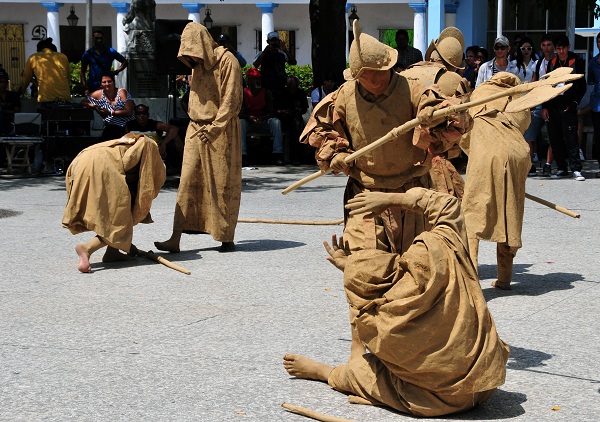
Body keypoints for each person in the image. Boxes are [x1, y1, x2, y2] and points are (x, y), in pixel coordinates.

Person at [283, 187, 510, 417]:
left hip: (440, 399)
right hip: (485, 383)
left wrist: (351, 268)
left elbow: (367, 305)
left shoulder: (393, 320)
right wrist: (392, 199)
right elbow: (448, 207)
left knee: (363, 370)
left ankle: (325, 373)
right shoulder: (449, 249)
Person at [300, 21, 471, 256]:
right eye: (367, 77)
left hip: (409, 192)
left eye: (381, 74)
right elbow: (321, 130)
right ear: (357, 75)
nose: (376, 81)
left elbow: (457, 118)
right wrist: (336, 153)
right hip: (364, 192)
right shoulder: (343, 95)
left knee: (412, 267)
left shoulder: (413, 89)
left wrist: (436, 117)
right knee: (366, 264)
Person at [154, 22, 243, 253]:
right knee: (187, 183)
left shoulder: (227, 61)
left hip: (221, 129)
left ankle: (225, 236)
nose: (189, 60)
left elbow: (231, 99)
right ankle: (175, 237)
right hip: (196, 128)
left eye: (191, 54)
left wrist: (215, 127)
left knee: (221, 183)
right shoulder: (197, 65)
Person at [462, 73, 532, 290]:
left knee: (472, 216)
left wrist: (472, 152)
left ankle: (471, 280)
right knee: (510, 213)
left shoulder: (479, 94)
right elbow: (521, 125)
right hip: (517, 155)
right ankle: (504, 279)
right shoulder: (520, 100)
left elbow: (465, 133)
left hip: (486, 155)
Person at [62, 134, 166, 273]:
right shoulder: (148, 144)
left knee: (116, 213)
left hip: (80, 162)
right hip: (101, 166)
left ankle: (113, 252)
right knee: (120, 218)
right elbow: (140, 169)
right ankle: (87, 248)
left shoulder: (122, 143)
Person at [401, 26, 470, 199]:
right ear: (454, 65)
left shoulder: (405, 73)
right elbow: (463, 124)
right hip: (433, 161)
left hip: (399, 156)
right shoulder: (454, 80)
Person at [542, 34, 586, 181]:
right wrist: (545, 107)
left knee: (571, 138)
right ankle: (561, 168)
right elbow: (547, 86)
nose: (561, 51)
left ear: (568, 47)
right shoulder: (552, 62)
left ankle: (576, 169)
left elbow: (582, 86)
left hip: (569, 105)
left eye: (563, 48)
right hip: (554, 105)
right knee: (555, 139)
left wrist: (574, 103)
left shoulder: (576, 61)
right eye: (558, 49)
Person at [239, 67, 284, 166]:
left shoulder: (266, 92)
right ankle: (243, 156)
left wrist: (263, 118)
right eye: (255, 79)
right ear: (249, 80)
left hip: (263, 121)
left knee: (276, 122)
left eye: (259, 79)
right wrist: (249, 117)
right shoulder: (243, 93)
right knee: (240, 123)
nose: (258, 81)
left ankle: (278, 154)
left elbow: (272, 112)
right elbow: (239, 113)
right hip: (249, 122)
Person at [126, 104, 184, 174]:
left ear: (148, 115)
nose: (141, 115)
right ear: (135, 115)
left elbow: (174, 129)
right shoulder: (129, 126)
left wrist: (164, 143)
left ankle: (182, 164)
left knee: (176, 137)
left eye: (144, 113)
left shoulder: (155, 125)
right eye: (138, 113)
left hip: (155, 154)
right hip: (137, 155)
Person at [512, 36, 539, 176]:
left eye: (529, 48)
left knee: (529, 136)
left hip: (531, 102)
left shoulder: (537, 63)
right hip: (517, 103)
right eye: (523, 48)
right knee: (517, 135)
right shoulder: (513, 65)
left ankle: (530, 164)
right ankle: (518, 164)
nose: (526, 51)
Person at [82, 71, 135, 141]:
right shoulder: (98, 94)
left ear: (114, 82)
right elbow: (83, 102)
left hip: (127, 126)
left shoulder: (122, 92)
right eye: (104, 82)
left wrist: (111, 112)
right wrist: (94, 106)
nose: (107, 84)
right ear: (101, 84)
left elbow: (129, 112)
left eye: (109, 81)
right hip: (111, 128)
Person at [19, 38, 71, 105]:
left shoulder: (34, 58)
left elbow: (26, 80)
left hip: (46, 101)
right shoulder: (63, 57)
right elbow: (68, 79)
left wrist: (19, 93)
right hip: (65, 100)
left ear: (39, 50)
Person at [533, 34, 556, 177]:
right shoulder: (538, 63)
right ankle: (530, 164)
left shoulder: (558, 62)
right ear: (541, 46)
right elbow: (534, 81)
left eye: (549, 45)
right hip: (539, 102)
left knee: (552, 136)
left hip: (553, 102)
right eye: (544, 45)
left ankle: (548, 164)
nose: (546, 48)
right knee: (529, 134)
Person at [80, 29, 128, 95]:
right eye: (97, 38)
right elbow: (82, 71)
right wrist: (85, 87)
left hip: (107, 84)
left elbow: (125, 62)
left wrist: (116, 71)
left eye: (101, 38)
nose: (99, 40)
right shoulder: (88, 54)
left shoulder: (111, 51)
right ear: (93, 39)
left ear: (103, 39)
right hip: (93, 85)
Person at [276, 75, 309, 165]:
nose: (293, 90)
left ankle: (297, 156)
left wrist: (297, 111)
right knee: (295, 126)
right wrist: (284, 112)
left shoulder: (301, 93)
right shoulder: (282, 93)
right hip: (284, 119)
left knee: (297, 125)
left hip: (296, 118)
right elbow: (277, 110)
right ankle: (294, 156)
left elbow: (304, 108)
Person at [253, 31, 296, 98]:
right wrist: (264, 52)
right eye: (272, 41)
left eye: (276, 40)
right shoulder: (261, 54)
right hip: (266, 85)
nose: (274, 43)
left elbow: (293, 62)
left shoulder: (282, 54)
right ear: (268, 42)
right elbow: (256, 65)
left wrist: (285, 50)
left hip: (280, 85)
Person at [588, 32, 600, 178]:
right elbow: (590, 85)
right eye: (598, 42)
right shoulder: (592, 63)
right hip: (597, 105)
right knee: (599, 137)